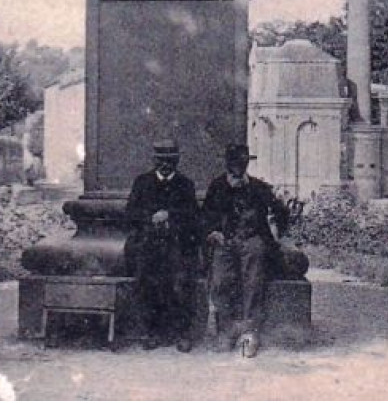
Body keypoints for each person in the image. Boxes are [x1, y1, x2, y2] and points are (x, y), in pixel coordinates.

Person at [202, 143, 290, 357]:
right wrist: (212, 232)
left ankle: (250, 332)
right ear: (227, 164)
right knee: (220, 280)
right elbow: (204, 216)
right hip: (225, 241)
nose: (238, 168)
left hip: (252, 240)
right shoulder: (217, 187)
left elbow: (281, 212)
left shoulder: (259, 188)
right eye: (234, 164)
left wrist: (277, 234)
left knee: (253, 280)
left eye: (243, 163)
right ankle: (226, 329)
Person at [124, 138, 200, 351]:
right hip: (148, 243)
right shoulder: (142, 182)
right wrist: (151, 217)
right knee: (147, 280)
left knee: (181, 281)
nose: (166, 165)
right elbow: (131, 213)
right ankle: (151, 331)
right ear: (154, 160)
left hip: (177, 243)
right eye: (161, 160)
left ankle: (182, 333)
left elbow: (193, 216)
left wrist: (170, 216)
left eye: (170, 161)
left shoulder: (185, 185)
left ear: (177, 161)